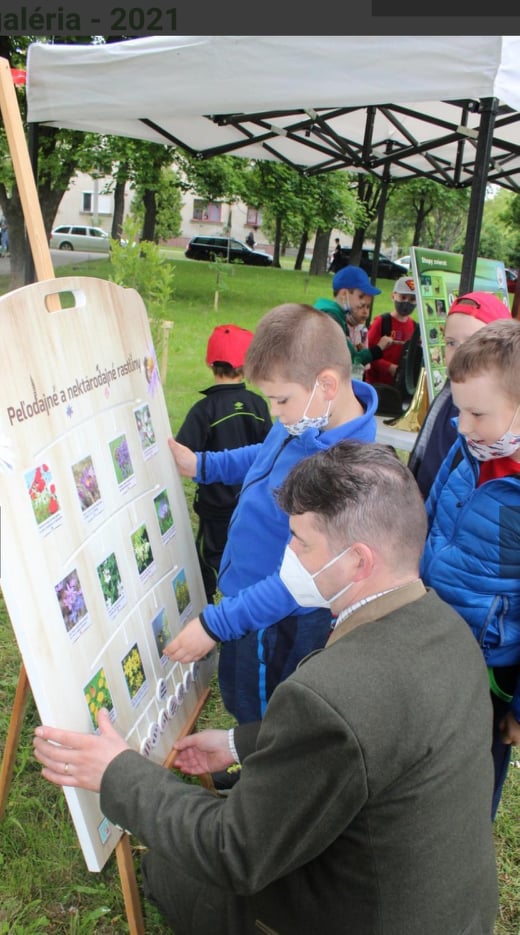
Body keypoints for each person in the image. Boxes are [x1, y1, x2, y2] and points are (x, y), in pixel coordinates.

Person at [33, 442, 499, 935]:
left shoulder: (332, 693)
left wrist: (117, 772)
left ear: (358, 562)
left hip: (361, 915)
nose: (288, 554)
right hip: (452, 910)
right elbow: (365, 739)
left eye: (300, 541)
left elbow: (232, 850)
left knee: (169, 868)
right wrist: (237, 743)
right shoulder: (446, 628)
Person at [167, 303, 378, 724]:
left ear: (327, 384)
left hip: (277, 621)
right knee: (240, 694)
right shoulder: (306, 416)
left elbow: (300, 583)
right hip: (246, 601)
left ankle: (256, 762)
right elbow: (264, 453)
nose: (275, 412)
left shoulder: (344, 472)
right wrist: (203, 465)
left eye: (280, 400)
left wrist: (215, 625)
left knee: (263, 715)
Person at [420, 318, 520, 819]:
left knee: (469, 785)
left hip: (488, 673)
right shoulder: (467, 451)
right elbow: (428, 520)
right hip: (429, 637)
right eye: (459, 410)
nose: (461, 426)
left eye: (477, 413)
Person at [176, 323, 272, 604]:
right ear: (247, 366)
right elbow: (268, 452)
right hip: (250, 504)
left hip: (214, 509)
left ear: (210, 364)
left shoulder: (203, 410)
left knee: (209, 559)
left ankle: (209, 604)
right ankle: (243, 600)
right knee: (246, 556)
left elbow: (182, 454)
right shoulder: (258, 405)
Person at [408, 291, 512, 499]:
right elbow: (424, 451)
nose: (460, 354)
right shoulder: (447, 395)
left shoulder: (504, 416)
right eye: (451, 343)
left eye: (474, 343)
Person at [314, 265, 393, 377]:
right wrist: (378, 348)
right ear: (343, 294)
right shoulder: (331, 319)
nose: (364, 301)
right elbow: (352, 359)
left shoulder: (332, 314)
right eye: (361, 296)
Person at [364, 275, 417, 388]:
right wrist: (389, 367)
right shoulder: (382, 321)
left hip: (399, 387)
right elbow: (367, 353)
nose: (407, 302)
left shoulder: (414, 327)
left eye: (412, 299)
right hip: (376, 385)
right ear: (393, 296)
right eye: (403, 297)